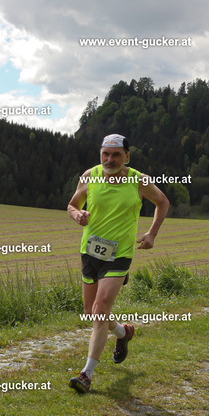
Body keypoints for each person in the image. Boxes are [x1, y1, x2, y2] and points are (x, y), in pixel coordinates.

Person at [67, 133, 170, 393]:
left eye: (115, 155)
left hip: (119, 254)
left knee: (100, 308)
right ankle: (123, 332)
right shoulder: (89, 176)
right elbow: (71, 205)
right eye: (105, 154)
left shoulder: (139, 180)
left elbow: (162, 201)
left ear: (127, 156)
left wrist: (152, 234)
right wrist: (77, 214)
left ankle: (86, 374)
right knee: (91, 312)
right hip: (90, 252)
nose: (109, 159)